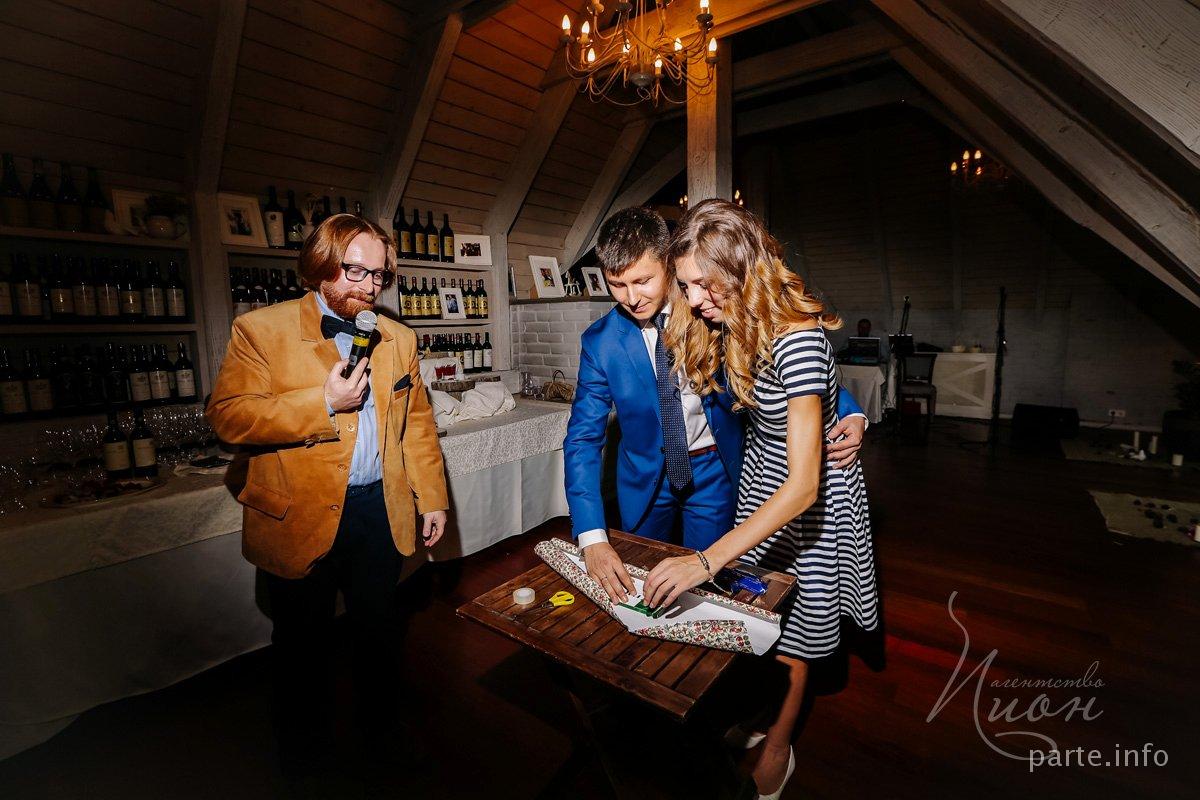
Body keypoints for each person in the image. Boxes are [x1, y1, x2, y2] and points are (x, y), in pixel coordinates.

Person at [643, 199, 880, 800]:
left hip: (806, 506)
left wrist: (704, 561)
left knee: (796, 643)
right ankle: (761, 715)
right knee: (762, 623)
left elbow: (804, 485)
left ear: (740, 270)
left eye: (703, 284)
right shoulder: (740, 325)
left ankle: (779, 749)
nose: (694, 299)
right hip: (761, 490)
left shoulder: (797, 341)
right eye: (686, 286)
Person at [206, 214, 448, 784]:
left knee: (378, 633)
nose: (368, 286)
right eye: (355, 270)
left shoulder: (399, 338)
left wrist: (432, 497)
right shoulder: (260, 331)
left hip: (378, 511)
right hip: (297, 515)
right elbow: (227, 418)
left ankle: (381, 735)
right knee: (301, 646)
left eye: (379, 275)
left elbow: (417, 425)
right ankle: (304, 757)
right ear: (320, 265)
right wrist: (322, 402)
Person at [564, 206, 868, 603]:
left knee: (711, 591)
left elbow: (792, 368)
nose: (632, 298)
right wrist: (592, 538)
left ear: (668, 264)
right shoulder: (600, 342)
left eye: (643, 281)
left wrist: (849, 409)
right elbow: (583, 439)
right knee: (639, 587)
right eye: (617, 285)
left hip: (716, 469)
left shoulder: (713, 307)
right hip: (643, 480)